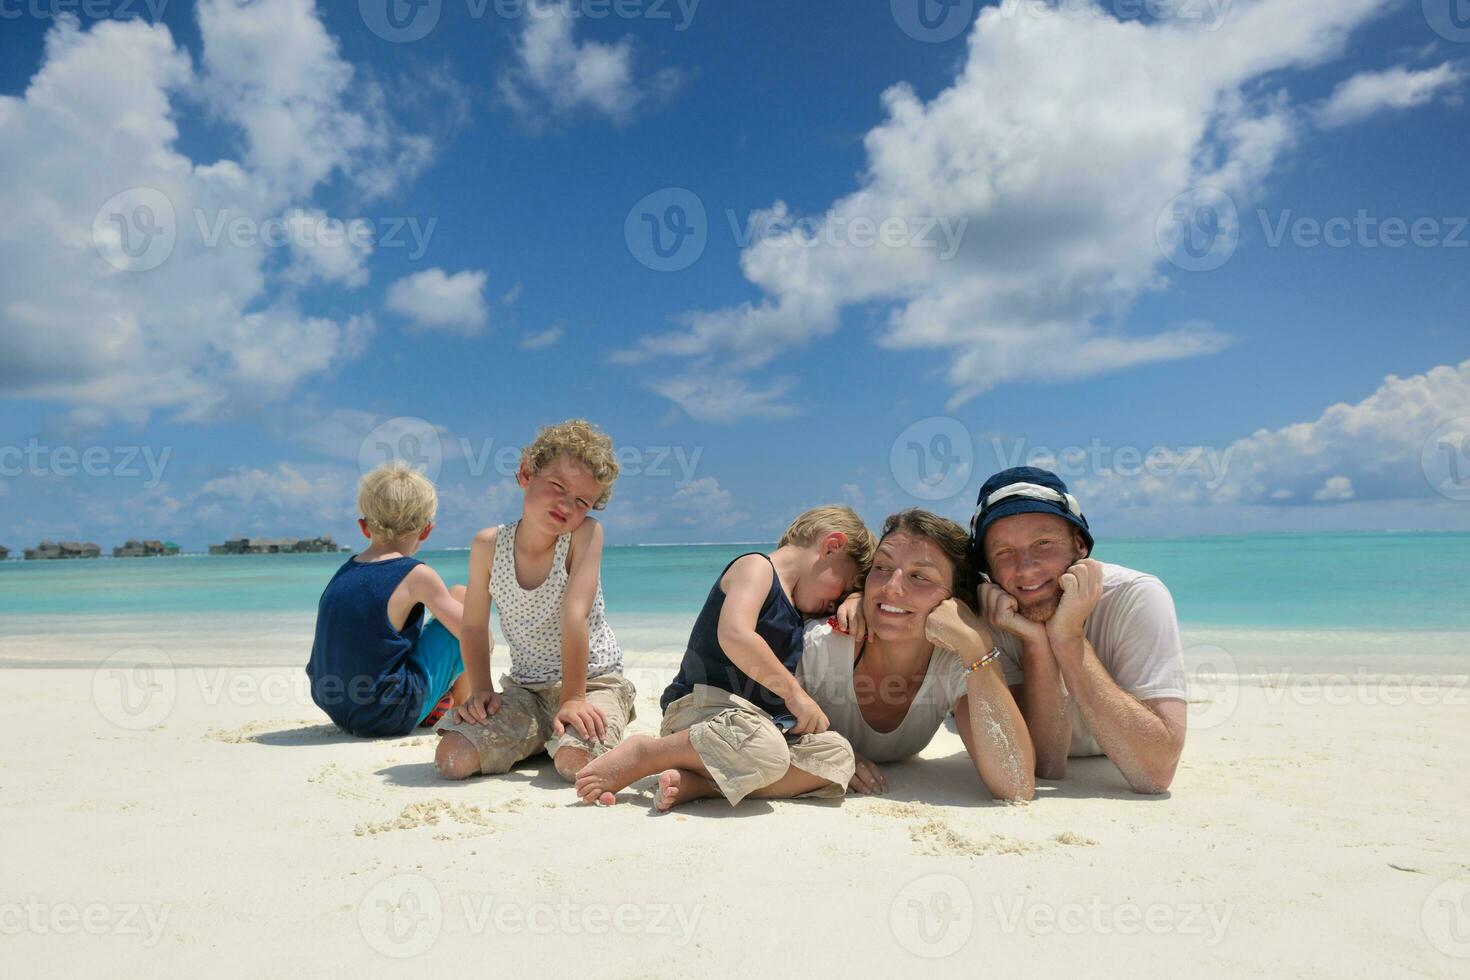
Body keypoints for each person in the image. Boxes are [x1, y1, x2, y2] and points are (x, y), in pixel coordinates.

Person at [572, 506, 876, 809]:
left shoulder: (800, 609)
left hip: (754, 729)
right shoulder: (757, 568)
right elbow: (735, 634)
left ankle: (703, 785)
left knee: (838, 755)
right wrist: (794, 695)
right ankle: (649, 753)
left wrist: (854, 597)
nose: (831, 606)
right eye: (841, 589)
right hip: (700, 710)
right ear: (832, 546)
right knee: (766, 747)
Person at [434, 420, 635, 784]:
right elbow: (475, 625)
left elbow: (575, 616)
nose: (566, 504)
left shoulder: (584, 535)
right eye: (557, 486)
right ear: (526, 474)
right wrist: (480, 689)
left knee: (575, 763)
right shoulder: (488, 546)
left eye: (582, 501)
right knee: (453, 757)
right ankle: (540, 735)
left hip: (591, 683)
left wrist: (573, 698)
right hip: (527, 690)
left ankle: (570, 736)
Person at [970, 466, 1187, 793]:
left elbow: (1155, 773)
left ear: (1080, 545)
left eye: (1043, 543)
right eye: (1004, 552)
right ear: (987, 567)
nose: (1026, 569)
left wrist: (1069, 639)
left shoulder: (1136, 596)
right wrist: (1036, 643)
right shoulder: (995, 614)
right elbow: (1046, 765)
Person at [814, 510, 1034, 801]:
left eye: (919, 576)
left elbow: (1015, 784)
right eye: (881, 568)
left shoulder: (956, 662)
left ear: (955, 600)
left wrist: (976, 644)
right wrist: (823, 751)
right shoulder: (824, 644)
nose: (890, 588)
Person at [306, 462, 469, 737]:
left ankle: (437, 700)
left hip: (336, 706)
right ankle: (464, 709)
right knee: (462, 600)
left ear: (363, 527)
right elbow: (476, 637)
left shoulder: (345, 572)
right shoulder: (417, 575)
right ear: (427, 530)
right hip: (387, 713)